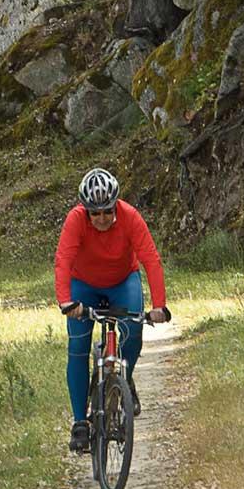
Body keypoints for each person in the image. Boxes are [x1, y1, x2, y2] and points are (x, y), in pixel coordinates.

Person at [56, 167, 170, 453]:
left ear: (116, 206)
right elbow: (64, 260)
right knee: (79, 348)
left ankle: (124, 379)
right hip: (83, 285)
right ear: (86, 211)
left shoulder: (130, 217)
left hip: (122, 281)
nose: (102, 218)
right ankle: (80, 421)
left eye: (107, 211)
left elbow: (151, 260)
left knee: (133, 331)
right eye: (95, 213)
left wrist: (159, 306)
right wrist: (66, 301)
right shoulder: (75, 221)